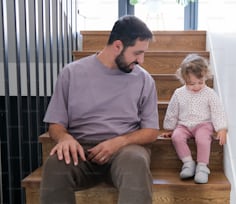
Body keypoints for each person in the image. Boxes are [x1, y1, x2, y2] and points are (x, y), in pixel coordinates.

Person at [40, 15, 160, 204]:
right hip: (80, 150)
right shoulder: (71, 73)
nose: (141, 60)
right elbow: (55, 124)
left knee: (136, 161)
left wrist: (118, 142)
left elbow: (151, 131)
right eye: (137, 53)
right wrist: (64, 138)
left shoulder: (144, 80)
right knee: (55, 164)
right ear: (118, 46)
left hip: (124, 150)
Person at [162, 53, 228, 184]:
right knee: (177, 137)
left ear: (206, 76)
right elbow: (172, 111)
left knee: (203, 139)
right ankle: (188, 163)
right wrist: (170, 128)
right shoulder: (179, 93)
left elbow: (217, 110)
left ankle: (203, 167)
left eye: (200, 82)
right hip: (183, 125)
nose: (197, 86)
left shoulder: (209, 93)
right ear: (184, 79)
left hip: (203, 124)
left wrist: (221, 128)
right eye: (191, 83)